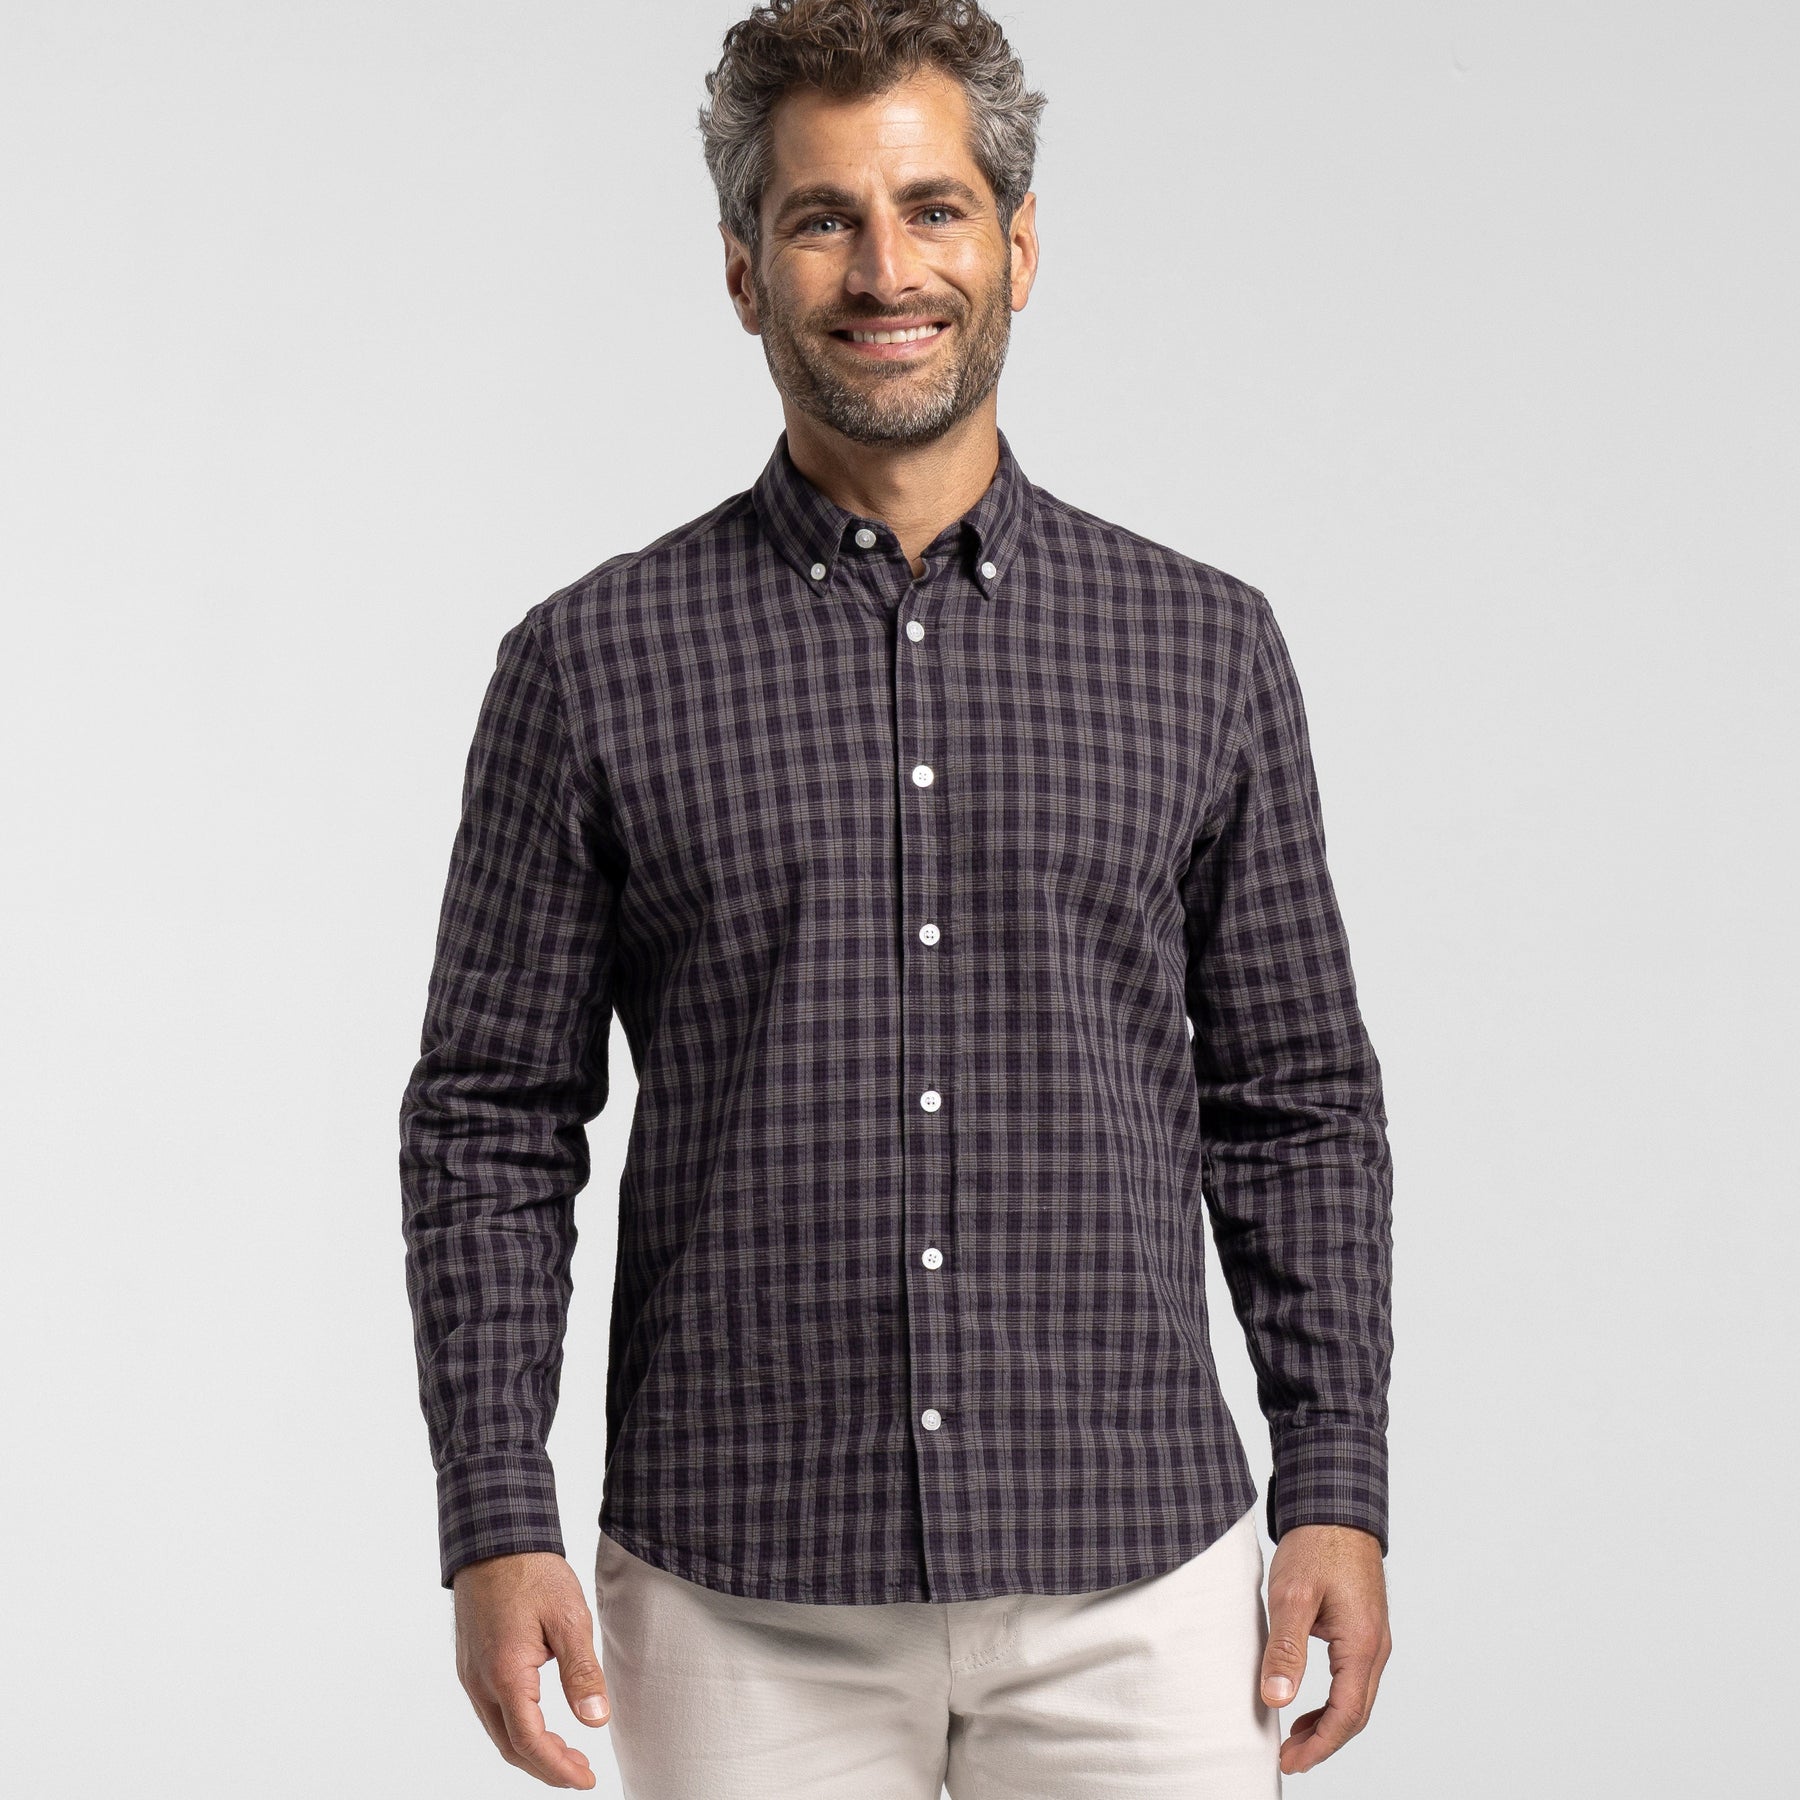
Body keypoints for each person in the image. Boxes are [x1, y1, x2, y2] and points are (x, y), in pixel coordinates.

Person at [399, 2, 1394, 1793]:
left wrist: (1335, 1481)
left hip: (1140, 1578)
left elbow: (1297, 1102)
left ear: (1020, 243)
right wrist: (494, 1511)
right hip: (735, 1587)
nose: (885, 270)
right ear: (740, 268)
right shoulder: (590, 663)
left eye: (934, 209)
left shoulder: (1203, 647)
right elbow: (490, 1118)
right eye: (821, 218)